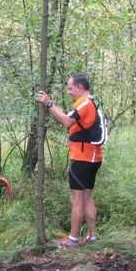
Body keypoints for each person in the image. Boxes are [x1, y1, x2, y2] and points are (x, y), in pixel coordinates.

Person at [37, 73, 104, 247]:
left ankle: (73, 239)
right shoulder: (93, 101)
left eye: (70, 88)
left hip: (82, 158)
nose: (69, 92)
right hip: (94, 157)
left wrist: (49, 104)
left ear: (80, 87)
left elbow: (67, 122)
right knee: (87, 198)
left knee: (77, 199)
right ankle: (92, 236)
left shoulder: (83, 103)